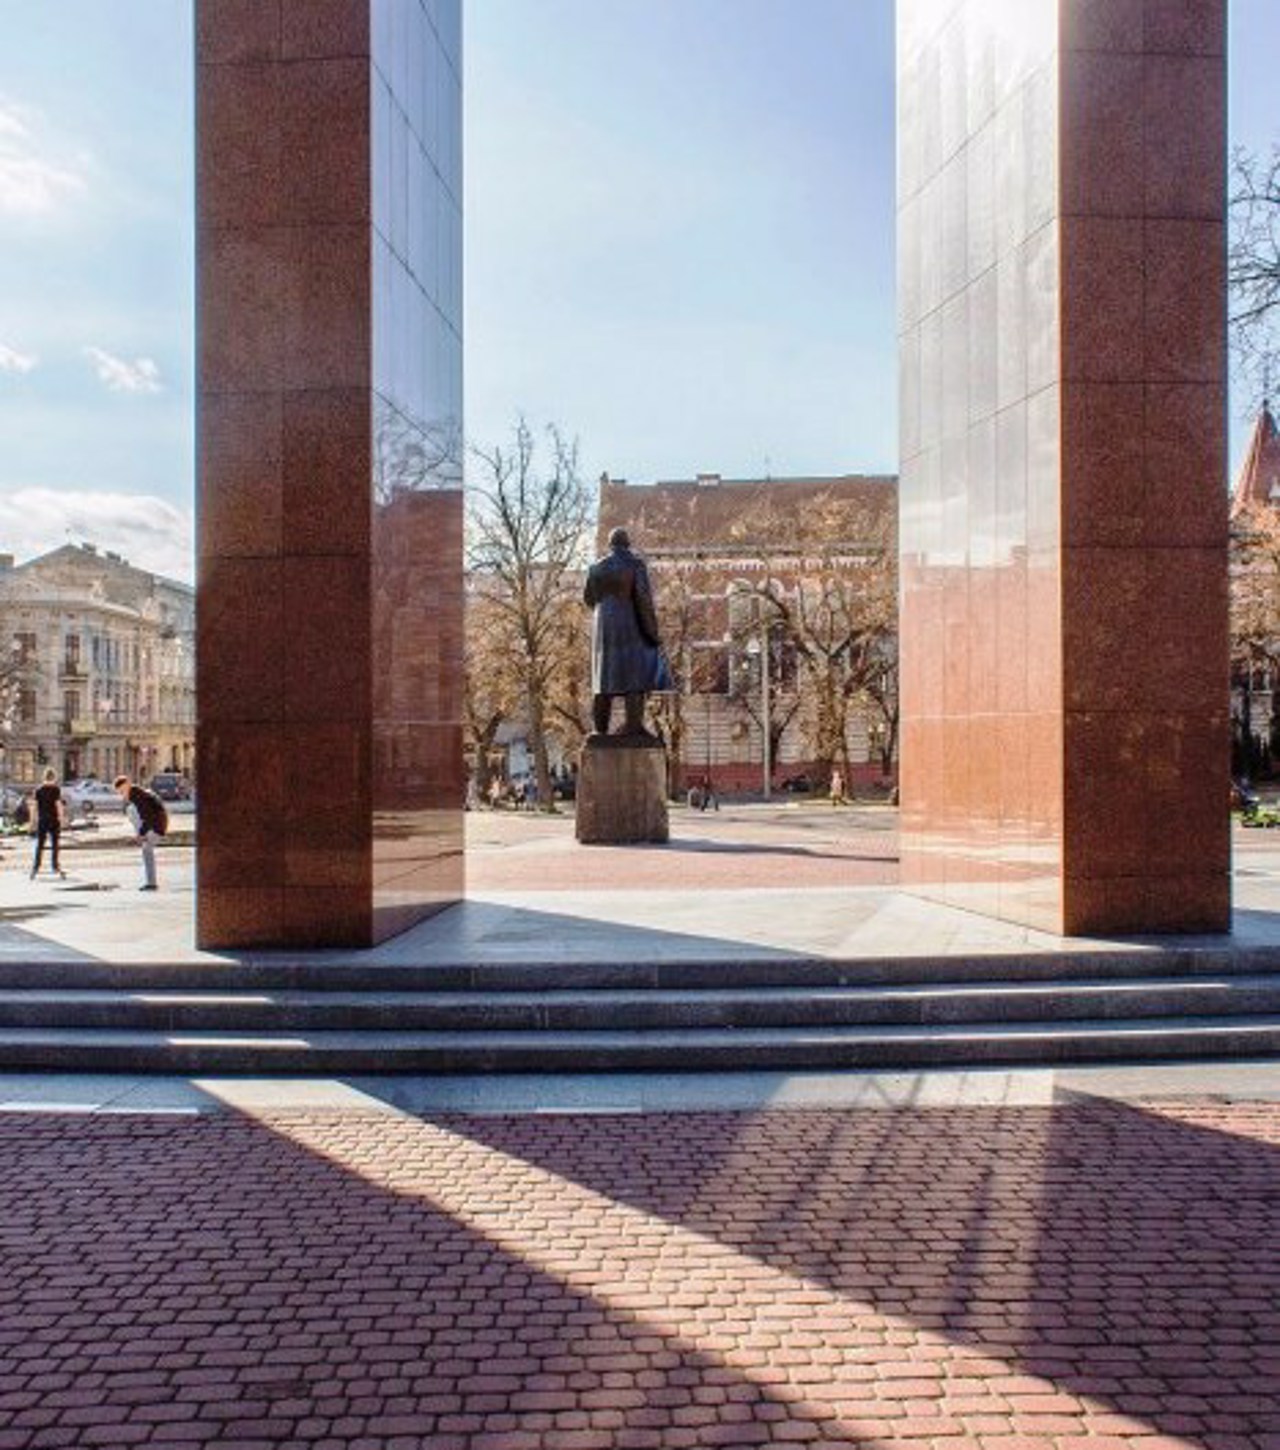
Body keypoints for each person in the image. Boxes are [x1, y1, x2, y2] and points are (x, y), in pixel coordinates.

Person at [583, 527, 675, 738]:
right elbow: (642, 599)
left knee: (602, 679)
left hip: (603, 630)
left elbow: (588, 599)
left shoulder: (595, 568)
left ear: (610, 545)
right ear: (627, 544)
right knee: (635, 676)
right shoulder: (635, 564)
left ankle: (599, 730)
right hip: (630, 626)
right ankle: (634, 726)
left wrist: (605, 610)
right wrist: (652, 632)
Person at [113, 774, 167, 891]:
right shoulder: (138, 794)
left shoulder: (138, 797)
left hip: (155, 827)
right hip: (156, 826)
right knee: (147, 850)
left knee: (130, 810)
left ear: (127, 785)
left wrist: (141, 834)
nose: (122, 795)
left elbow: (148, 816)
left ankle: (151, 883)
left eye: (122, 791)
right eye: (120, 793)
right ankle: (151, 883)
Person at [30, 768, 66, 881]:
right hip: (53, 820)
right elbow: (58, 805)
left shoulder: (38, 790)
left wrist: (32, 822)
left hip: (42, 820)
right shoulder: (56, 789)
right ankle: (55, 866)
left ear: (44, 777)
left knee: (40, 844)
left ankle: (36, 867)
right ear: (54, 777)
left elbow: (34, 807)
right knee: (55, 844)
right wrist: (62, 818)